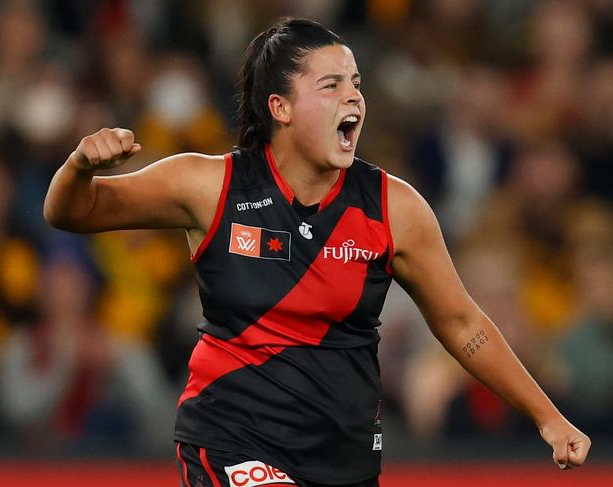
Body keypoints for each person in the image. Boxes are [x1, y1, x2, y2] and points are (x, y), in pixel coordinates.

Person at [43, 18, 590, 487]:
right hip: (232, 438)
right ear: (279, 106)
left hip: (344, 459)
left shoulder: (394, 208)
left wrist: (548, 419)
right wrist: (79, 168)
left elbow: (462, 322)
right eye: (331, 85)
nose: (353, 97)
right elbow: (72, 212)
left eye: (356, 83)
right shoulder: (209, 185)